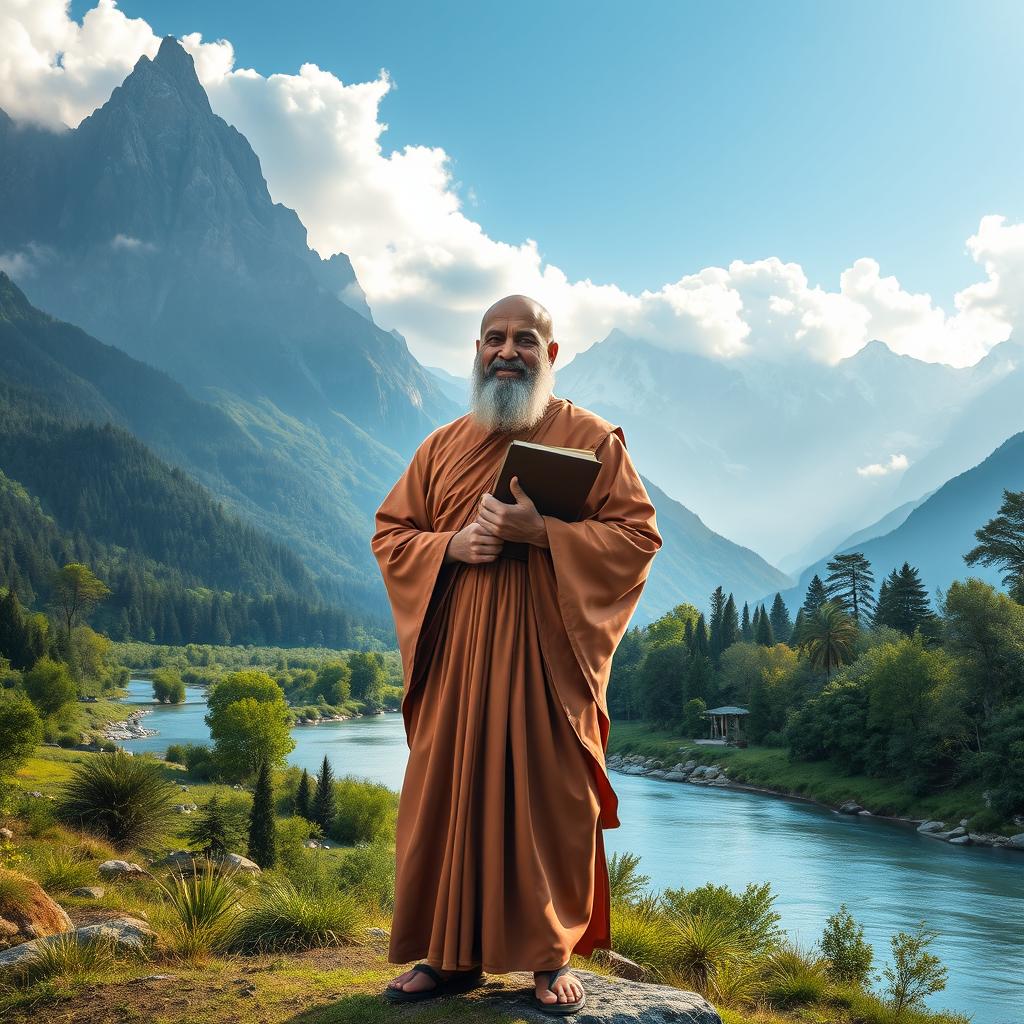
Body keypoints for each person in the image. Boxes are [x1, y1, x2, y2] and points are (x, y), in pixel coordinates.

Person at [372, 294, 662, 1013]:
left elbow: (636, 540)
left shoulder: (592, 440)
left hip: (546, 666)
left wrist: (544, 534)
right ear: (476, 352)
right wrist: (449, 547)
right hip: (458, 667)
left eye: (525, 339)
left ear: (552, 355)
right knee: (446, 798)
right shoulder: (439, 448)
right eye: (494, 338)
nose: (508, 351)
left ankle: (546, 958)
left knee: (547, 801)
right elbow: (390, 534)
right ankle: (448, 958)